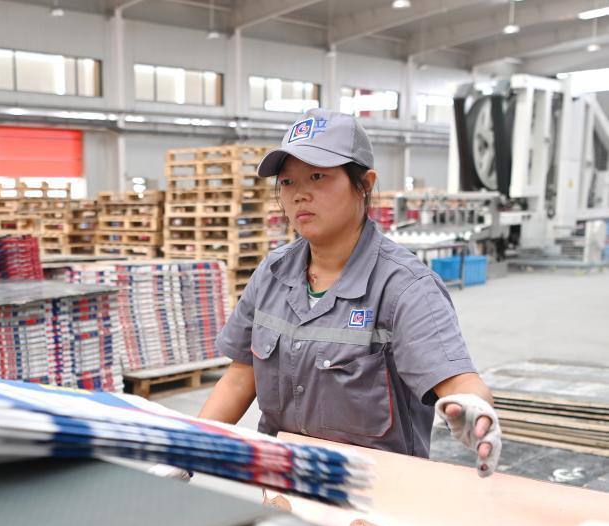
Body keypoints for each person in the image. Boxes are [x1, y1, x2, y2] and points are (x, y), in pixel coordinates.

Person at [199, 108, 501, 476]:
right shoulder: (272, 274)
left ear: (365, 184)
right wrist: (188, 449)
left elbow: (458, 381)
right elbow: (239, 377)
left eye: (317, 176)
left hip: (376, 492)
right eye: (288, 182)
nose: (300, 194)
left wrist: (475, 409)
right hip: (284, 487)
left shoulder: (404, 286)